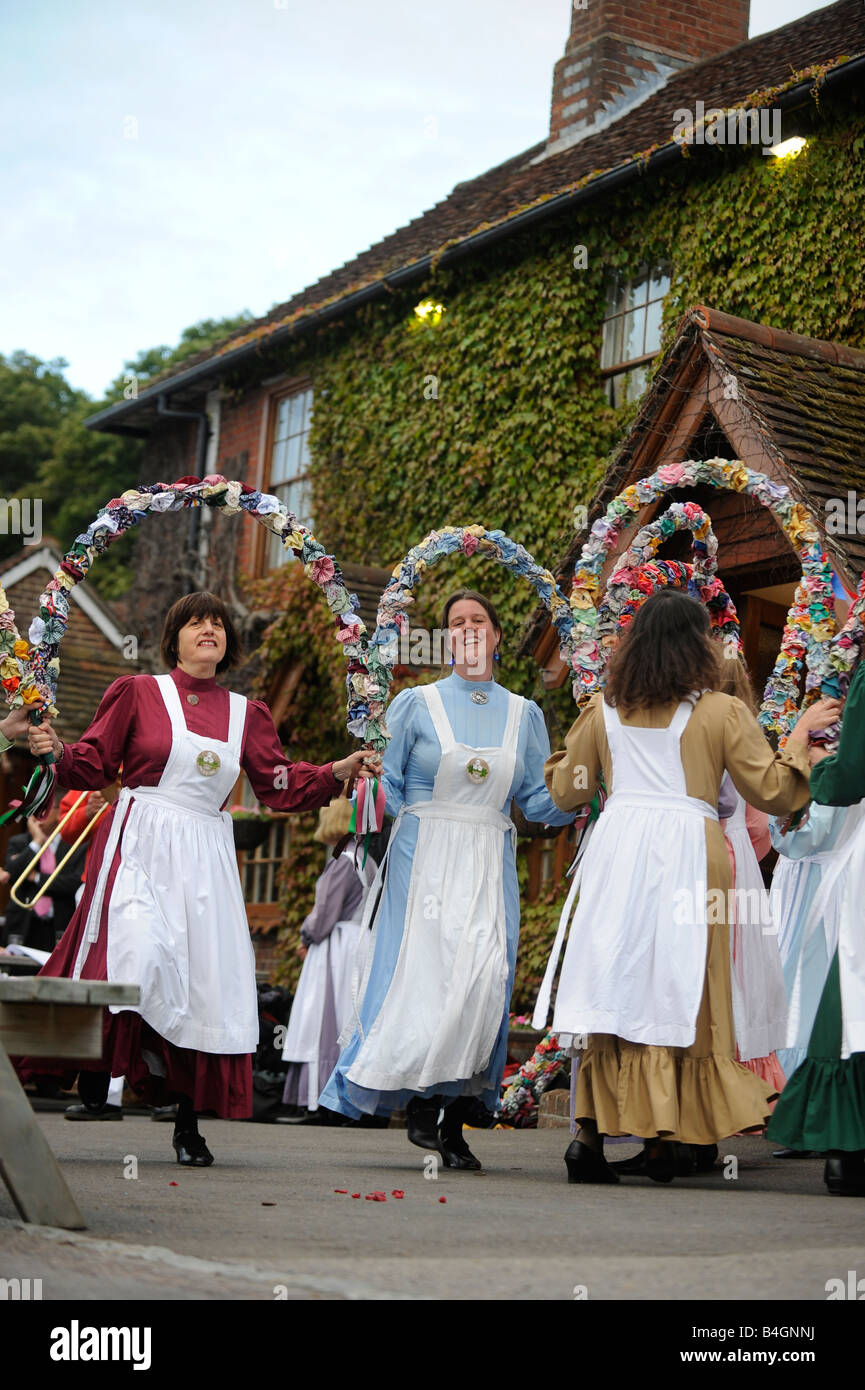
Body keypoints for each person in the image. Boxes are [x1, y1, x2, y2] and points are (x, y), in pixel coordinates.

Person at [11, 590, 374, 1167]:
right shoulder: (137, 693)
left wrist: (336, 770)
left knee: (199, 982)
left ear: (227, 642)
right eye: (195, 622)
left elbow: (278, 783)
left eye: (218, 623)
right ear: (173, 638)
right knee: (137, 954)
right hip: (140, 840)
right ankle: (98, 1064)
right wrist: (50, 747)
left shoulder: (246, 714)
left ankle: (185, 1118)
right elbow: (94, 763)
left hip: (206, 852)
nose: (209, 629)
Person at [542, 589, 838, 1185]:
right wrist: (803, 749)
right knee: (683, 992)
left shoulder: (602, 711)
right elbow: (773, 791)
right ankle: (661, 1141)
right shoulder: (721, 714)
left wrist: (567, 763)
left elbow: (566, 792)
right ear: (697, 645)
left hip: (618, 853)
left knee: (616, 986)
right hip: (690, 857)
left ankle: (589, 1137)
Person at [319, 589, 574, 1169]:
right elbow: (391, 786)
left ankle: (455, 1115)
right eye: (457, 622)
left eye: (478, 619)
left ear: (497, 634)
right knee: (426, 975)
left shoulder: (524, 714)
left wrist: (580, 797)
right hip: (424, 851)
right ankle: (421, 1106)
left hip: (488, 853)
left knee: (484, 980)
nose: (468, 629)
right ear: (446, 638)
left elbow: (534, 800)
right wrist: (370, 786)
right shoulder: (416, 704)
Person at [767, 653, 865, 1195]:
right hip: (808, 880)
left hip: (829, 878)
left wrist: (814, 762)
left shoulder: (834, 741)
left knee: (824, 993)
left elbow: (814, 815)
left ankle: (828, 1134)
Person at [280, 798, 377, 1119]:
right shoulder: (368, 861)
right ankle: (347, 1098)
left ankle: (321, 1099)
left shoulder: (343, 863)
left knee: (323, 1020)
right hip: (360, 944)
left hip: (336, 948)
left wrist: (307, 935)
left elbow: (324, 913)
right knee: (349, 1018)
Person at [3, 801, 86, 952]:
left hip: (58, 925)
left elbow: (74, 882)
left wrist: (35, 877)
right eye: (33, 812)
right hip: (24, 924)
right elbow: (10, 874)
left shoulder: (76, 844)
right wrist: (36, 842)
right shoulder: (19, 842)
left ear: (58, 813)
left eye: (43, 811)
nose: (36, 818)